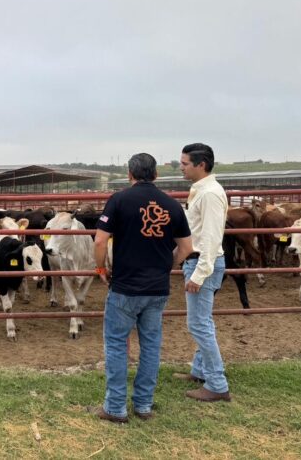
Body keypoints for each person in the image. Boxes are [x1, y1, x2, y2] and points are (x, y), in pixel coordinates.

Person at [91, 153, 193, 423]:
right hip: (157, 289)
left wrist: (100, 269)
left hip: (125, 286)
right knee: (151, 345)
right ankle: (144, 405)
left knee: (116, 344)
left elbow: (100, 241)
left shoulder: (119, 200)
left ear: (130, 174)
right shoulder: (172, 205)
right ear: (156, 175)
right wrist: (166, 266)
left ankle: (115, 407)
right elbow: (186, 248)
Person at [173, 142, 232, 402]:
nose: (181, 167)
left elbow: (210, 237)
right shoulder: (203, 191)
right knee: (202, 320)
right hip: (199, 262)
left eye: (185, 163)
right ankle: (200, 371)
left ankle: (217, 384)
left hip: (202, 263)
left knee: (198, 323)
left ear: (201, 165)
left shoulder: (209, 194)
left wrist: (200, 273)